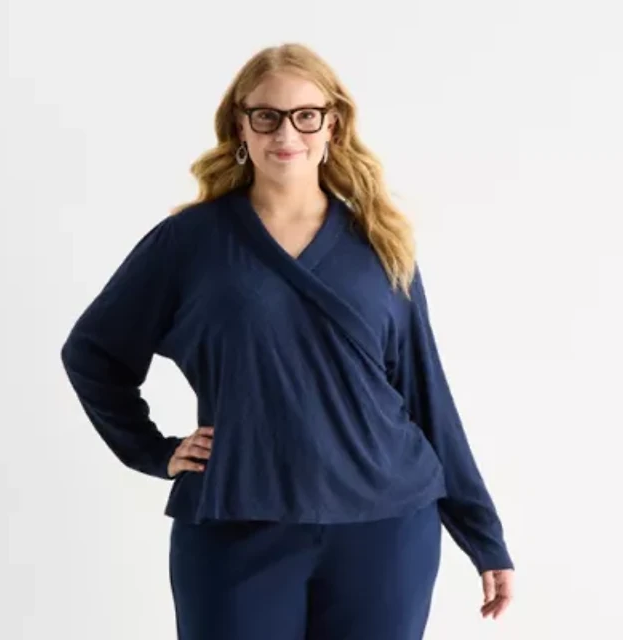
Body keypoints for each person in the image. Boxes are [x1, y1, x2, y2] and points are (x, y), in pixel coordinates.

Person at [60, 42, 514, 639]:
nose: (286, 133)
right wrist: (153, 450)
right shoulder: (188, 242)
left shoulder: (379, 242)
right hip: (237, 520)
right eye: (266, 116)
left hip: (386, 528)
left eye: (305, 115)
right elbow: (92, 353)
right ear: (240, 126)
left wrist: (483, 536)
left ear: (332, 125)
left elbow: (426, 394)